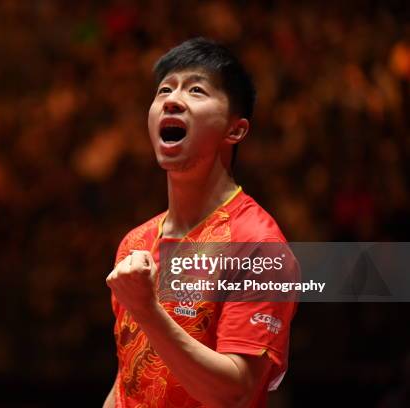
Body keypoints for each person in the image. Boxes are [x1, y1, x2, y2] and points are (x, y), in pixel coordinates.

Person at [104, 38, 297, 407]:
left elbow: (235, 391)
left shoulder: (257, 243)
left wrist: (147, 311)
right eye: (164, 90)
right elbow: (128, 379)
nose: (172, 100)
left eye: (196, 90)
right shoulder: (135, 242)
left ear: (235, 130)